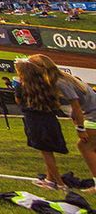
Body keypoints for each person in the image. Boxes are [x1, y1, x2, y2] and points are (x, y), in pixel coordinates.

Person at [31, 54, 96, 187]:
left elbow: (76, 106)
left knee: (84, 146)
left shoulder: (59, 82)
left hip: (92, 113)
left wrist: (80, 128)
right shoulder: (62, 78)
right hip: (90, 112)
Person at [14, 58, 68, 190]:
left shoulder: (22, 86)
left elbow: (18, 101)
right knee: (48, 151)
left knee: (46, 153)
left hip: (34, 121)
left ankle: (60, 184)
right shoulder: (46, 83)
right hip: (50, 119)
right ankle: (49, 180)